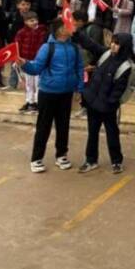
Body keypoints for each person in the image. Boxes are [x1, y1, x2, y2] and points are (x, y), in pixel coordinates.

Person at [19, 23, 85, 173]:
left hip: (66, 93)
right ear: (60, 30)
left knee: (63, 126)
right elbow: (36, 68)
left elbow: (79, 68)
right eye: (68, 26)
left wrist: (79, 88)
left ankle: (61, 155)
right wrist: (24, 64)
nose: (72, 28)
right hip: (48, 92)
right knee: (44, 126)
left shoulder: (74, 48)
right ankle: (36, 159)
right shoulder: (47, 48)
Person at [79, 33, 134, 174]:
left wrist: (110, 103)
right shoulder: (105, 55)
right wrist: (77, 32)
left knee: (112, 134)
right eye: (113, 42)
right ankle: (91, 160)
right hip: (92, 103)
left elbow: (119, 89)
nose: (113, 45)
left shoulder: (125, 66)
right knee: (92, 133)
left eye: (117, 43)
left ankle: (116, 162)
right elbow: (90, 43)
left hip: (108, 108)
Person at [13, 12, 48, 113]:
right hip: (25, 61)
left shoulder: (42, 31)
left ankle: (38, 102)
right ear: (25, 22)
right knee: (28, 83)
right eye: (31, 21)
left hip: (38, 61)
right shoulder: (21, 32)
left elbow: (43, 45)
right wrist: (17, 58)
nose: (34, 22)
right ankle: (29, 102)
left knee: (38, 83)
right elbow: (16, 46)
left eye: (35, 20)